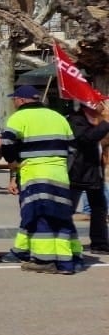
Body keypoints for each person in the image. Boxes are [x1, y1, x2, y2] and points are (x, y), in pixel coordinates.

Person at [0, 85, 78, 273]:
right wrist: (63, 167)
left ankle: (43, 260)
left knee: (40, 215)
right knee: (61, 215)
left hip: (34, 173)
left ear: (22, 100)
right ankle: (68, 261)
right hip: (60, 173)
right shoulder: (58, 117)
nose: (13, 102)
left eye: (14, 99)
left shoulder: (18, 118)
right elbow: (73, 148)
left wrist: (13, 163)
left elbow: (7, 144)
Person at [67, 100, 109, 256]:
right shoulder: (75, 119)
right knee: (68, 208)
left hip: (94, 171)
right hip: (77, 171)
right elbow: (86, 139)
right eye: (100, 105)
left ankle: (100, 243)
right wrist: (105, 124)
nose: (102, 107)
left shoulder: (98, 120)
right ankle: (64, 238)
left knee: (99, 208)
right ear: (89, 106)